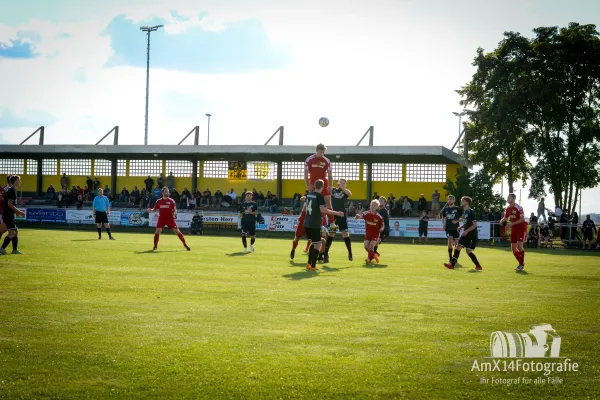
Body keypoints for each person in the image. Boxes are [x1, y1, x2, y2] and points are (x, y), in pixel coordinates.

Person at [304, 179, 343, 271]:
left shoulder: (309, 194)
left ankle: (309, 264)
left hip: (307, 223)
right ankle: (313, 266)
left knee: (314, 243)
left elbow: (305, 209)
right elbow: (323, 210)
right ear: (322, 187)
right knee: (318, 245)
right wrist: (337, 213)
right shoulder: (319, 196)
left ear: (314, 185)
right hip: (315, 224)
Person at [444, 196, 482, 271]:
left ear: (467, 202)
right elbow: (466, 223)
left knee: (464, 249)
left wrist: (467, 230)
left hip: (471, 235)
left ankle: (452, 264)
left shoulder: (471, 212)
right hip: (466, 234)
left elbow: (474, 225)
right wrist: (461, 227)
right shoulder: (465, 212)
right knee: (462, 249)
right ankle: (452, 265)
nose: (461, 202)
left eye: (462, 201)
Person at [305, 143, 337, 230]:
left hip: (324, 183)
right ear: (316, 151)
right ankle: (320, 224)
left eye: (323, 152)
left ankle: (332, 223)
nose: (321, 154)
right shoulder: (309, 160)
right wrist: (308, 185)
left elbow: (330, 175)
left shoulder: (327, 161)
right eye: (320, 152)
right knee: (315, 204)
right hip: (313, 184)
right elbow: (305, 174)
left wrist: (330, 186)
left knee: (328, 202)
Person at [147, 187, 190, 252]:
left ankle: (185, 245)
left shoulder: (171, 201)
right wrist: (151, 210)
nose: (167, 193)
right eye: (166, 191)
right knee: (157, 231)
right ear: (162, 193)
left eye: (168, 191)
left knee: (177, 231)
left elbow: (175, 209)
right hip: (161, 218)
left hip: (170, 218)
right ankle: (155, 247)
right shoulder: (159, 201)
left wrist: (174, 213)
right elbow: (155, 209)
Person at [323, 179, 353, 262]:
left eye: (344, 183)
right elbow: (327, 190)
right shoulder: (333, 190)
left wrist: (343, 188)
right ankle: (326, 255)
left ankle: (350, 253)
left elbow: (350, 194)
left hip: (342, 216)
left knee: (345, 234)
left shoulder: (344, 192)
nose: (342, 184)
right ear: (338, 183)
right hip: (334, 215)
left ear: (345, 185)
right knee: (331, 234)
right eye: (341, 182)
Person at [499, 193, 528, 272]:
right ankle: (521, 263)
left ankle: (521, 264)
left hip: (521, 228)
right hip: (514, 228)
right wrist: (501, 221)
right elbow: (506, 217)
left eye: (509, 197)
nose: (508, 199)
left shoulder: (519, 208)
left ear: (514, 199)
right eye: (508, 197)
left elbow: (522, 219)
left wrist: (512, 223)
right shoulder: (508, 208)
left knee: (519, 246)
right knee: (513, 248)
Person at [1, 175, 25, 255]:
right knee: (12, 233)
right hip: (8, 214)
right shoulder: (12, 190)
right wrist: (19, 212)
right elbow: (9, 204)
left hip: (9, 214)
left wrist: (16, 212)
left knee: (15, 232)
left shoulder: (12, 190)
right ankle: (2, 249)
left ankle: (14, 250)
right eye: (18, 180)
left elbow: (10, 204)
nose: (20, 182)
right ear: (14, 182)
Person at [355, 199, 384, 264]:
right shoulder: (366, 213)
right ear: (370, 206)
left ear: (377, 207)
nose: (373, 206)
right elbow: (361, 216)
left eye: (375, 205)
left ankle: (368, 259)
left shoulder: (379, 216)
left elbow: (382, 223)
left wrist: (382, 228)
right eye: (372, 205)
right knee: (366, 246)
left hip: (375, 234)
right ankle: (374, 255)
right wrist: (357, 217)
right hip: (368, 233)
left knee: (371, 246)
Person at [441, 195, 461, 264]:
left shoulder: (457, 208)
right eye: (448, 199)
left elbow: (463, 217)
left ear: (454, 200)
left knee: (456, 244)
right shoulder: (445, 209)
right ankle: (450, 258)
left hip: (456, 229)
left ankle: (455, 258)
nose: (449, 200)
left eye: (451, 199)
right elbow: (443, 217)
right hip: (448, 228)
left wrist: (457, 221)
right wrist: (444, 224)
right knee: (450, 241)